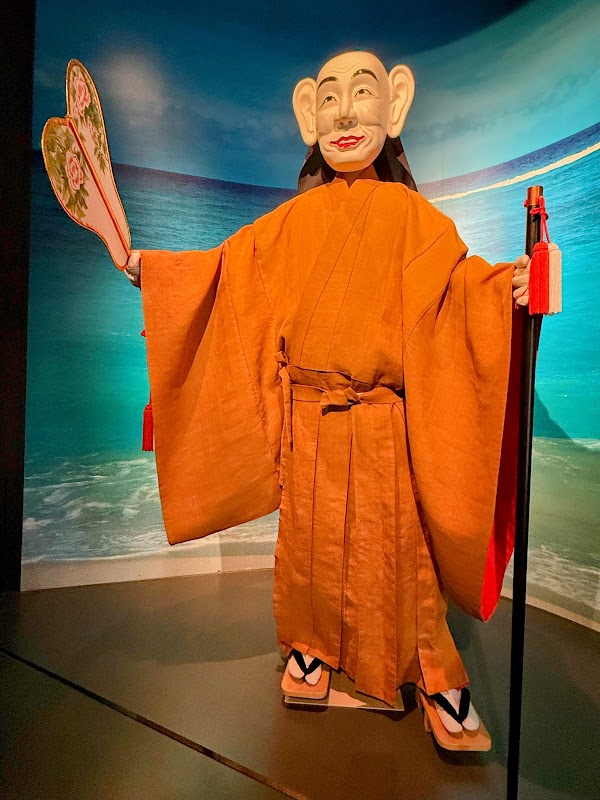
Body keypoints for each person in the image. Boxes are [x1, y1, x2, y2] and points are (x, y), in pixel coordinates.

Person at [125, 51, 531, 739]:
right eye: (330, 98)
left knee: (404, 556)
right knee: (309, 550)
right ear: (308, 116)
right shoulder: (292, 222)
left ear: (395, 105)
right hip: (309, 419)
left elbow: (455, 289)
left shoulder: (413, 218)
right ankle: (310, 647)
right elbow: (227, 277)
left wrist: (505, 290)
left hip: (384, 422)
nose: (345, 113)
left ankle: (432, 669)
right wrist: (153, 272)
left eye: (362, 92)